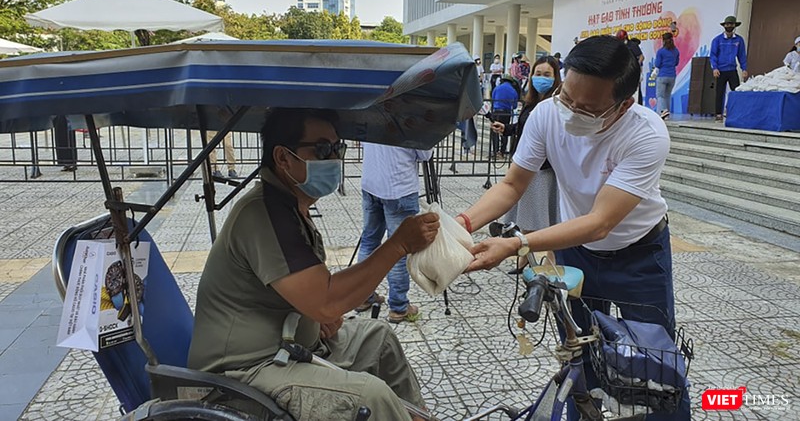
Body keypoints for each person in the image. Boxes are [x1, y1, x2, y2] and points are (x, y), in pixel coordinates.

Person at [455, 35, 689, 421]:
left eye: (588, 107)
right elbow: (513, 185)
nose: (572, 111)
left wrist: (516, 244)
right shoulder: (547, 114)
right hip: (576, 250)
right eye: (567, 97)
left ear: (624, 104)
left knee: (655, 362)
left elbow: (599, 223)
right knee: (580, 350)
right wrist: (462, 224)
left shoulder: (645, 134)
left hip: (639, 254)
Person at [188, 108, 440, 421]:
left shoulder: (290, 206)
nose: (334, 159)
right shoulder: (264, 214)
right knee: (369, 396)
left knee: (379, 338)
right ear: (283, 158)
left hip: (290, 345)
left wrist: (313, 318)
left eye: (338, 148)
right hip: (244, 372)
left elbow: (310, 295)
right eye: (322, 149)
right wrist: (398, 244)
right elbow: (326, 301)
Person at [491, 55, 561, 267]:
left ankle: (549, 262)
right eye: (537, 74)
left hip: (544, 169)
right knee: (524, 219)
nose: (541, 78)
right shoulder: (530, 102)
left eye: (546, 75)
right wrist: (506, 129)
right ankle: (524, 261)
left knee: (544, 221)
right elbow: (525, 130)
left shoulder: (556, 104)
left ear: (555, 77)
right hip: (525, 166)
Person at [357, 144, 433, 323]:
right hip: (398, 187)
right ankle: (399, 306)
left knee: (369, 241)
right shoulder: (410, 117)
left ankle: (362, 296)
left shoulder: (371, 114)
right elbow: (425, 153)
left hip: (371, 181)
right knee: (399, 249)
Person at [710, 15, 749, 121]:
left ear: (734, 25)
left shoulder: (739, 40)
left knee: (736, 91)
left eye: (731, 24)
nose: (729, 26)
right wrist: (715, 68)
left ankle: (735, 111)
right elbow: (713, 55)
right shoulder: (717, 40)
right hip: (720, 71)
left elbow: (742, 55)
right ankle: (718, 113)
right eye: (727, 24)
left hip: (732, 69)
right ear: (724, 26)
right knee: (719, 92)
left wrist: (744, 68)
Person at [490, 74, 520, 158]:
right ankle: (502, 152)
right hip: (506, 113)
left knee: (495, 131)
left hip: (496, 112)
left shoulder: (497, 88)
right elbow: (514, 105)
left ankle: (495, 151)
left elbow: (492, 99)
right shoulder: (513, 90)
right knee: (504, 130)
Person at [653, 32, 680, 120]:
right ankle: (667, 112)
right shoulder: (676, 51)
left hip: (662, 75)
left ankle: (662, 111)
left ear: (663, 40)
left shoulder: (661, 51)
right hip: (672, 75)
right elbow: (676, 63)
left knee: (660, 95)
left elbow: (658, 63)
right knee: (667, 95)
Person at [616, 30, 645, 104]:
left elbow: (641, 56)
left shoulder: (632, 45)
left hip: (633, 70)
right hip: (623, 70)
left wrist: (637, 65)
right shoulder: (620, 46)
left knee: (635, 90)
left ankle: (637, 104)